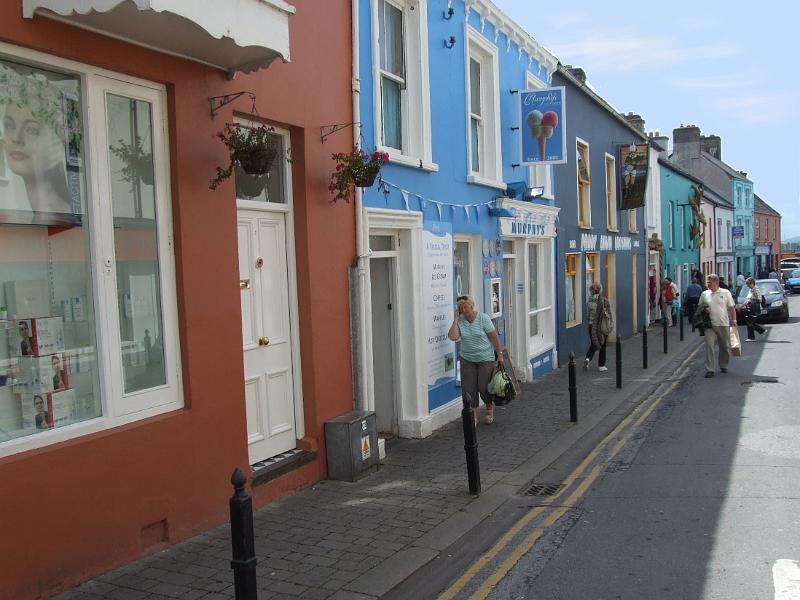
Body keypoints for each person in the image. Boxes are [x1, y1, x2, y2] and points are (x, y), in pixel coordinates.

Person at [448, 295, 505, 426]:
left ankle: (489, 408)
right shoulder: (460, 320)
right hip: (467, 359)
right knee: (469, 390)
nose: (465, 311)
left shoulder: (483, 318)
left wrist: (500, 355)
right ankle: (473, 417)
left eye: (466, 308)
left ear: (472, 307)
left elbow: (494, 338)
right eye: (462, 309)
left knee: (484, 388)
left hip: (485, 359)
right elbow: (453, 337)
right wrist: (456, 319)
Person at [698, 274, 737, 378]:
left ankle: (723, 364)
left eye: (709, 282)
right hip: (709, 324)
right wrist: (704, 310)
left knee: (725, 346)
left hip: (723, 323)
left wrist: (734, 320)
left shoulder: (725, 293)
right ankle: (710, 369)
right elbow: (699, 308)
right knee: (709, 346)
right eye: (707, 282)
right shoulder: (704, 294)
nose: (707, 284)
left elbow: (731, 308)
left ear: (716, 282)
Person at [584, 282, 613, 372]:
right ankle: (601, 365)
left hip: (591, 326)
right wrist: (611, 324)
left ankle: (588, 359)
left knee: (593, 344)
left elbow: (588, 316)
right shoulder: (604, 301)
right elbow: (609, 314)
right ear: (600, 290)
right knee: (602, 345)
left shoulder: (589, 301)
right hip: (601, 327)